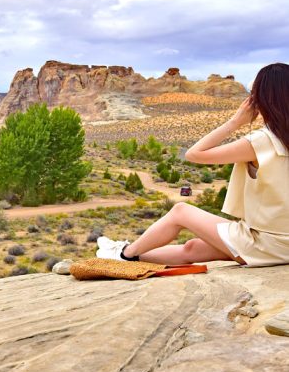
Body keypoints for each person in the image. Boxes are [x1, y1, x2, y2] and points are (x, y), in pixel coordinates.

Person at [96, 62, 289, 267]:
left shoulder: (261, 141)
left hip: (269, 244)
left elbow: (194, 154)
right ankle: (128, 255)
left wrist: (235, 122)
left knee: (181, 211)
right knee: (193, 248)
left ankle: (124, 254)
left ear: (260, 101)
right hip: (280, 242)